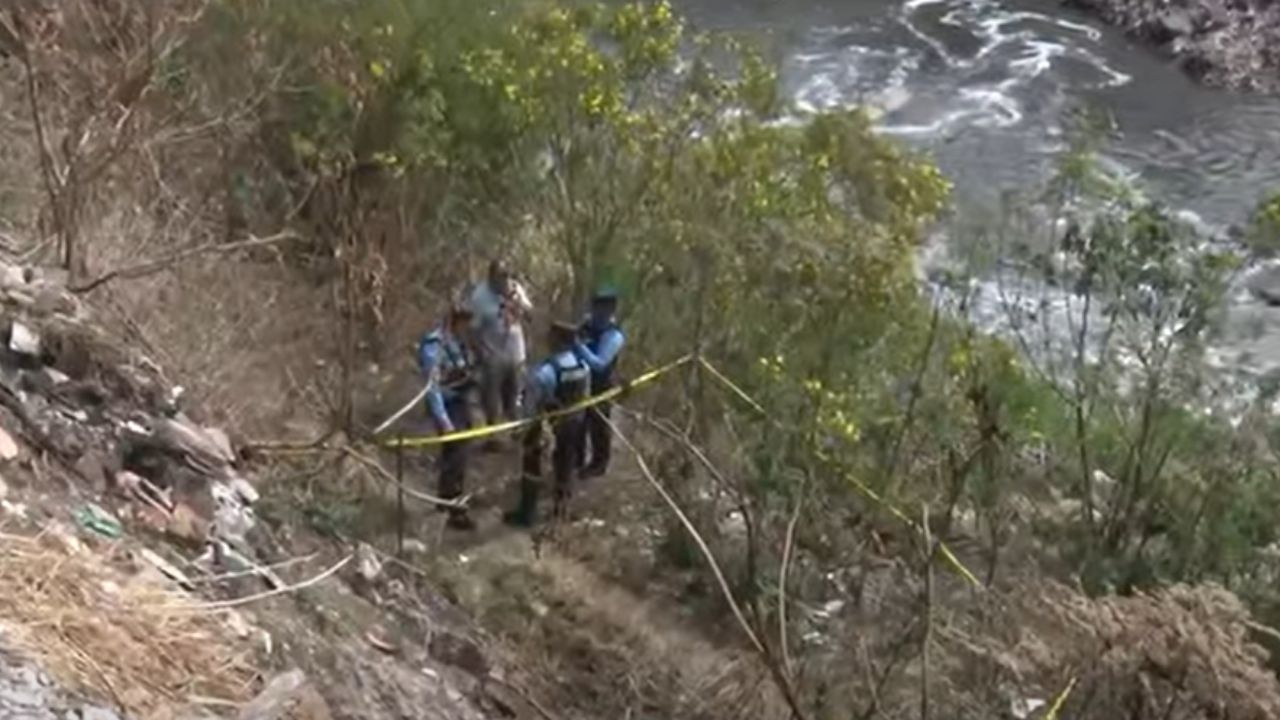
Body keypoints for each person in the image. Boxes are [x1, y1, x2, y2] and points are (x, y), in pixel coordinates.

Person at [504, 322, 590, 527]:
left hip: (545, 426)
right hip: (574, 423)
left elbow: (530, 408)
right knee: (565, 467)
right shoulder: (582, 366)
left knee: (532, 468)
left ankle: (527, 515)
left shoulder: (545, 372)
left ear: (557, 341)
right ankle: (561, 512)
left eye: (550, 336)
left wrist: (520, 431)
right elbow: (586, 396)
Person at [418, 304, 479, 530]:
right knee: (456, 458)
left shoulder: (461, 342)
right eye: (465, 321)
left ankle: (445, 501)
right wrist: (443, 420)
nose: (469, 326)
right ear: (455, 321)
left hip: (461, 402)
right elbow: (432, 387)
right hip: (447, 405)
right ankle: (454, 509)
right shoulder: (435, 345)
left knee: (456, 457)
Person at [467, 259, 533, 435]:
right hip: (492, 355)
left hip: (516, 353)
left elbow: (531, 315)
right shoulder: (479, 297)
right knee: (491, 399)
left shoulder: (515, 289)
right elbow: (472, 329)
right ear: (490, 277)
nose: (504, 281)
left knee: (515, 396)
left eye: (507, 276)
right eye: (500, 277)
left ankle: (516, 432)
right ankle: (493, 435)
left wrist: (518, 302)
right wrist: (480, 354)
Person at [574, 285, 626, 478]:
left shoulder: (614, 335)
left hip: (602, 384)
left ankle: (599, 463)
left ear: (611, 309)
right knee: (578, 423)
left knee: (599, 424)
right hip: (580, 380)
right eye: (596, 305)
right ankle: (576, 459)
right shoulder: (587, 324)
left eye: (604, 307)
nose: (598, 310)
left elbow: (600, 364)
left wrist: (577, 346)